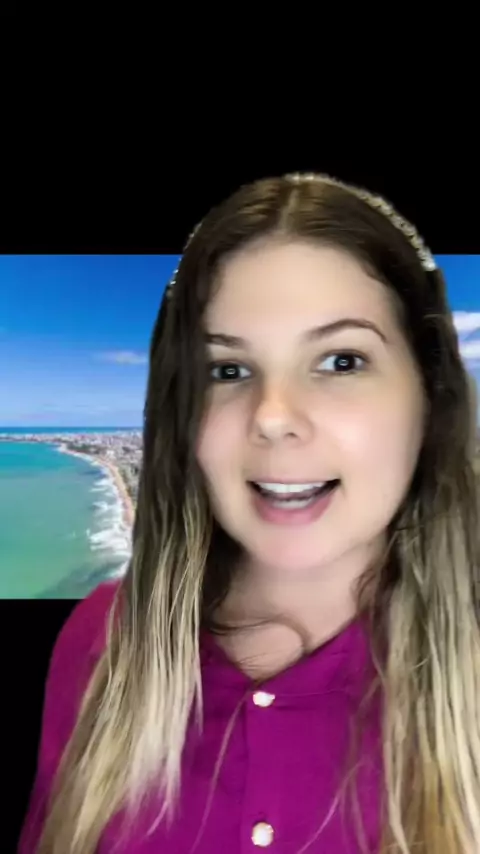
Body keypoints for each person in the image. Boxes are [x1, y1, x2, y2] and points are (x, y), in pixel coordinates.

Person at [18, 173, 480, 854]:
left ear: (430, 394)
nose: (272, 416)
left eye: (341, 360)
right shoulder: (101, 640)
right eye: (227, 370)